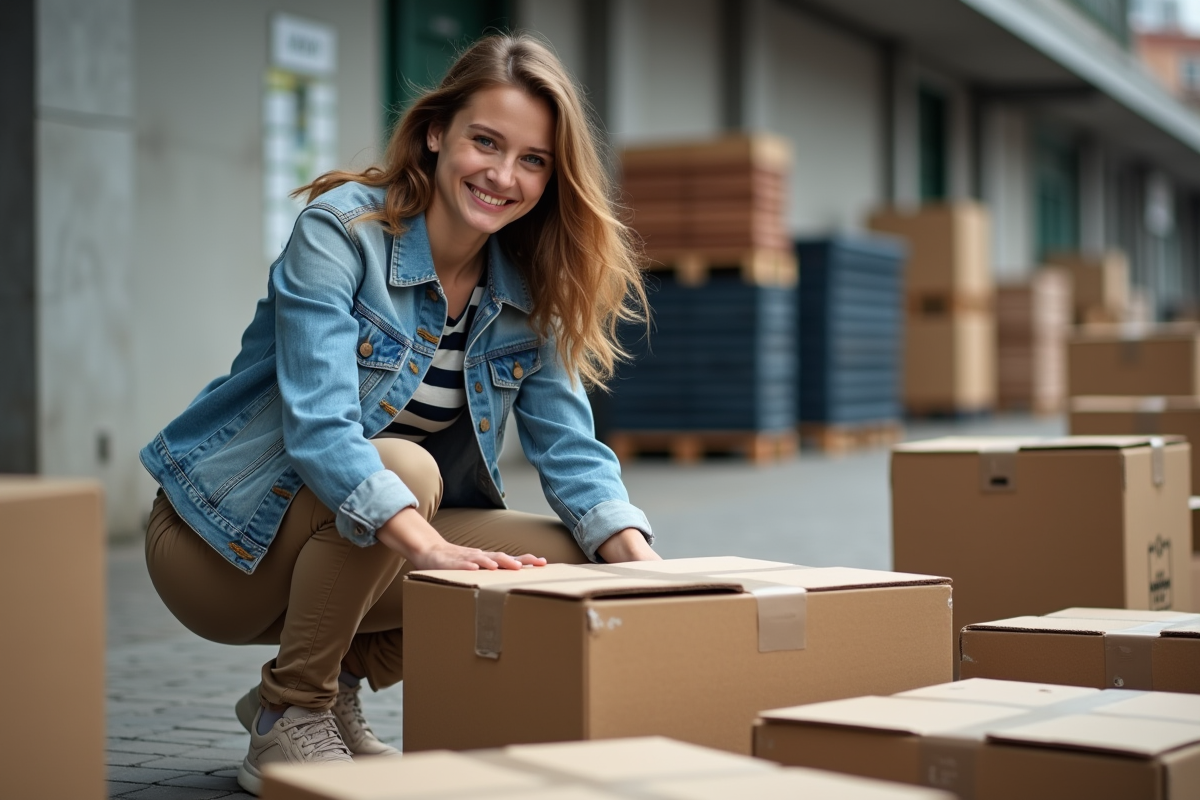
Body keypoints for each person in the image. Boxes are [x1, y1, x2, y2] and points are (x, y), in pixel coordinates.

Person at [139, 32, 660, 795]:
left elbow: (573, 455)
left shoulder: (528, 286)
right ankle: (291, 712)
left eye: (532, 160)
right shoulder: (342, 233)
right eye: (486, 141)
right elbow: (320, 428)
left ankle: (331, 679)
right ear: (435, 132)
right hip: (219, 546)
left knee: (574, 564)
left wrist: (654, 579)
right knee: (404, 469)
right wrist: (431, 552)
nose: (503, 175)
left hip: (360, 543)